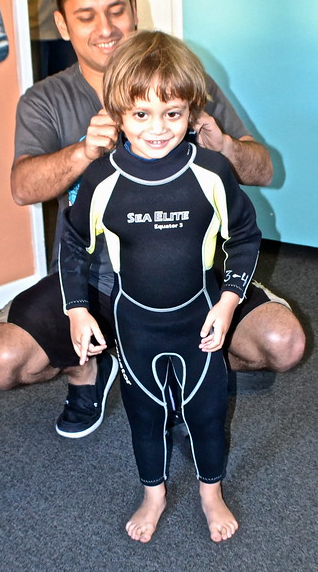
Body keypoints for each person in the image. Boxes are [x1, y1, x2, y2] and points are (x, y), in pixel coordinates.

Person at [0, 0, 305, 441]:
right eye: (86, 16)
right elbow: (23, 187)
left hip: (193, 276)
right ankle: (89, 370)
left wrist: (224, 145)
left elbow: (264, 169)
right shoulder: (45, 100)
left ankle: (184, 370)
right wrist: (81, 153)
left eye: (116, 10)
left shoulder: (183, 85)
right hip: (95, 278)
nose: (106, 27)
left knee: (285, 343)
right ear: (63, 25)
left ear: (133, 11)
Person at [59, 30, 262, 542]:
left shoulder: (212, 172)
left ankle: (210, 492)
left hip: (199, 319)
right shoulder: (103, 178)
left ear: (192, 112)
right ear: (117, 113)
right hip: (136, 323)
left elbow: (245, 236)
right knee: (145, 415)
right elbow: (72, 244)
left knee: (207, 411)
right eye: (141, 114)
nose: (157, 129)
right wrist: (78, 310)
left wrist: (230, 300)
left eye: (172, 114)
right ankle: (154, 493)